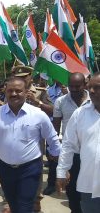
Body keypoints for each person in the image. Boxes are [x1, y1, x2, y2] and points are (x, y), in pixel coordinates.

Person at [0, 77, 61, 213]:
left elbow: (53, 140)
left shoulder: (38, 115)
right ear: (5, 92)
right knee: (13, 204)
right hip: (5, 169)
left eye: (18, 91)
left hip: (30, 169)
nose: (14, 94)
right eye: (10, 90)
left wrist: (61, 169)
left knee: (25, 206)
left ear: (26, 92)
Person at [56, 73, 100, 213]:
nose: (91, 91)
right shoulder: (80, 114)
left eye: (97, 87)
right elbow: (68, 144)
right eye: (90, 87)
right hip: (90, 184)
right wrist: (62, 172)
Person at [13, 65, 54, 212]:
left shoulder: (41, 92)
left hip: (35, 138)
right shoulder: (12, 92)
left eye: (25, 76)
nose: (23, 79)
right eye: (19, 77)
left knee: (34, 169)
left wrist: (38, 102)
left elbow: (53, 110)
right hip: (15, 136)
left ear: (31, 77)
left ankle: (36, 201)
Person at [46, 73, 90, 210]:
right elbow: (56, 126)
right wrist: (53, 148)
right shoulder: (60, 101)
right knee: (72, 190)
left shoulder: (94, 100)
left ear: (85, 85)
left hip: (91, 154)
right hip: (72, 153)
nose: (74, 89)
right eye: (71, 86)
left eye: (78, 86)